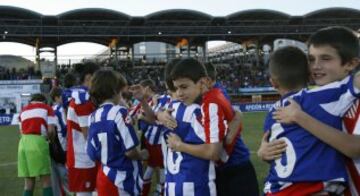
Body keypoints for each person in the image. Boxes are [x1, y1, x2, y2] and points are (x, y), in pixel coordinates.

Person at [270, 26, 360, 196]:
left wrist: (299, 117)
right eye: (311, 59)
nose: (316, 66)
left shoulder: (300, 106)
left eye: (325, 58)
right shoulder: (308, 99)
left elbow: (355, 147)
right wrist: (265, 150)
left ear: (351, 63)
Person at [87, 70, 148, 196]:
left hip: (104, 175)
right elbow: (130, 151)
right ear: (115, 91)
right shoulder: (119, 112)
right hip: (121, 179)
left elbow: (91, 153)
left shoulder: (92, 116)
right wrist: (142, 155)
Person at [205, 63, 259, 196]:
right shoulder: (214, 94)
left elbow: (227, 139)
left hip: (234, 166)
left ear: (206, 81)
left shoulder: (214, 97)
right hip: (231, 166)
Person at [66, 62, 99, 195]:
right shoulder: (82, 100)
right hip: (83, 158)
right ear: (89, 77)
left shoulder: (83, 97)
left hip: (85, 156)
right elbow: (88, 134)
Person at [18, 93, 56, 196]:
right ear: (44, 101)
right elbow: (51, 130)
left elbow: (21, 131)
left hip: (23, 144)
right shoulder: (47, 108)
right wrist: (51, 142)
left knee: (28, 182)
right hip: (38, 142)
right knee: (46, 181)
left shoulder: (23, 110)